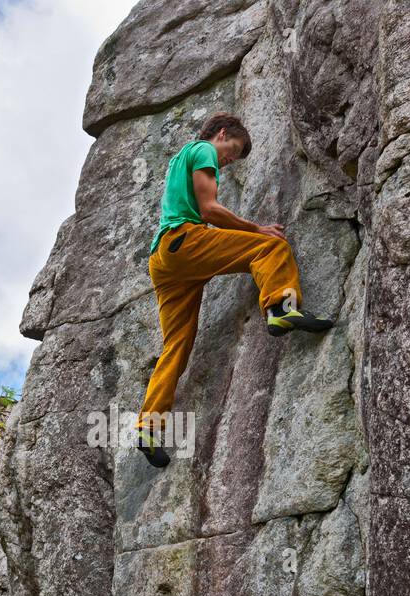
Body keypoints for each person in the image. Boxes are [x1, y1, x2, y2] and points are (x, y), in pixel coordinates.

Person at [136, 113, 335, 468]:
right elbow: (209, 210)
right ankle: (281, 307)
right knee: (270, 247)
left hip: (165, 262)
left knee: (176, 348)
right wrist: (257, 229)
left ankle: (148, 427)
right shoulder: (201, 149)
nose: (228, 159)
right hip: (184, 241)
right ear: (222, 133)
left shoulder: (181, 160)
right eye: (234, 149)